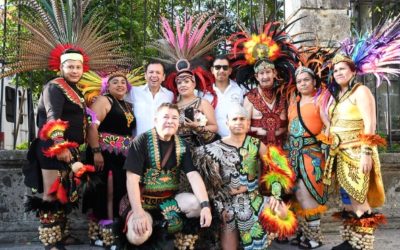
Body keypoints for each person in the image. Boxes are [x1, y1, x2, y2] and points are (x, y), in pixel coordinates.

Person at [194, 105, 296, 250]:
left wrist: (275, 194)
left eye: (243, 119)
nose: (239, 122)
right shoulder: (213, 148)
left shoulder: (256, 144)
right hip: (226, 202)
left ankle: (263, 238)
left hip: (253, 198)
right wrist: (217, 200)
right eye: (235, 119)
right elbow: (204, 179)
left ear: (248, 124)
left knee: (282, 211)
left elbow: (277, 168)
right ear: (227, 123)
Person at [123, 103, 212, 249]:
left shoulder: (182, 145)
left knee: (196, 204)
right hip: (142, 203)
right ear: (156, 120)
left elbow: (193, 175)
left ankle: (163, 225)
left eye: (174, 118)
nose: (170, 121)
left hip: (167, 203)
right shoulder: (141, 142)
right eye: (165, 117)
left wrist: (205, 205)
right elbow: (132, 179)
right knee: (137, 236)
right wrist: (138, 213)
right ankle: (149, 224)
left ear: (178, 123)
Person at [25, 49, 87, 250]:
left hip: (69, 149)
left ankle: (61, 234)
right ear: (61, 67)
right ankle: (51, 240)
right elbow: (53, 117)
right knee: (52, 193)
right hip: (52, 148)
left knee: (64, 193)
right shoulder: (54, 87)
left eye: (78, 67)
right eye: (70, 67)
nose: (75, 71)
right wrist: (60, 145)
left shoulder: (75, 90)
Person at [323, 54, 386, 250]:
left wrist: (366, 153)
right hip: (340, 155)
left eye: (342, 68)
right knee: (347, 201)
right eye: (335, 70)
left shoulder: (361, 91)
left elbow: (370, 123)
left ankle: (364, 245)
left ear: (353, 71)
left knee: (359, 199)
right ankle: (351, 241)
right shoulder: (340, 96)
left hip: (357, 153)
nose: (338, 72)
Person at [83, 73, 135, 248]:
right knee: (107, 191)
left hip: (122, 157)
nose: (120, 85)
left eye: (123, 82)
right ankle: (106, 237)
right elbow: (92, 126)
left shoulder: (127, 105)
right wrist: (96, 152)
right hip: (104, 155)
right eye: (115, 82)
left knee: (118, 191)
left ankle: (103, 232)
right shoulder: (104, 101)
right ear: (107, 85)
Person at [286, 66, 329, 249]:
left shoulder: (320, 101)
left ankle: (315, 237)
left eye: (306, 80)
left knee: (309, 194)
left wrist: (326, 146)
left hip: (311, 155)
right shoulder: (293, 104)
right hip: (293, 155)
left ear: (313, 82)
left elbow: (328, 126)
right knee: (297, 195)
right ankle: (304, 233)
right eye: (299, 81)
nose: (303, 83)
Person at [200, 55, 246, 138]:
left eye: (225, 68)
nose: (221, 70)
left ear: (230, 71)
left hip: (235, 139)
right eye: (217, 67)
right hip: (212, 140)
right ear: (212, 70)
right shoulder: (203, 92)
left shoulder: (240, 89)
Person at [243, 60, 287, 147]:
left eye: (268, 72)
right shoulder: (250, 97)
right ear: (256, 77)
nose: (265, 76)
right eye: (261, 73)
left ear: (274, 73)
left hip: (283, 146)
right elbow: (245, 126)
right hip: (258, 147)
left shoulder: (284, 94)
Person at [126, 60, 174, 136]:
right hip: (139, 143)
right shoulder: (134, 92)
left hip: (162, 143)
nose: (154, 75)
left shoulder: (169, 95)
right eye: (151, 72)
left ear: (163, 77)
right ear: (145, 75)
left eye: (158, 72)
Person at [175, 70, 218, 147]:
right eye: (179, 83)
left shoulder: (203, 103)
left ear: (194, 84)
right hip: (179, 149)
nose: (182, 85)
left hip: (199, 147)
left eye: (186, 81)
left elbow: (214, 127)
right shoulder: (174, 106)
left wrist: (198, 127)